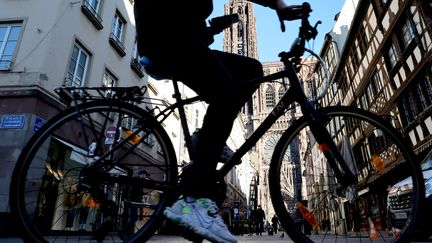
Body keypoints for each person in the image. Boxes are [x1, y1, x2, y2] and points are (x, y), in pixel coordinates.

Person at [133, 1, 307, 242]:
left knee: (251, 70)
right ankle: (193, 199)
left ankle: (206, 140)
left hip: (180, 36)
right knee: (226, 92)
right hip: (166, 36)